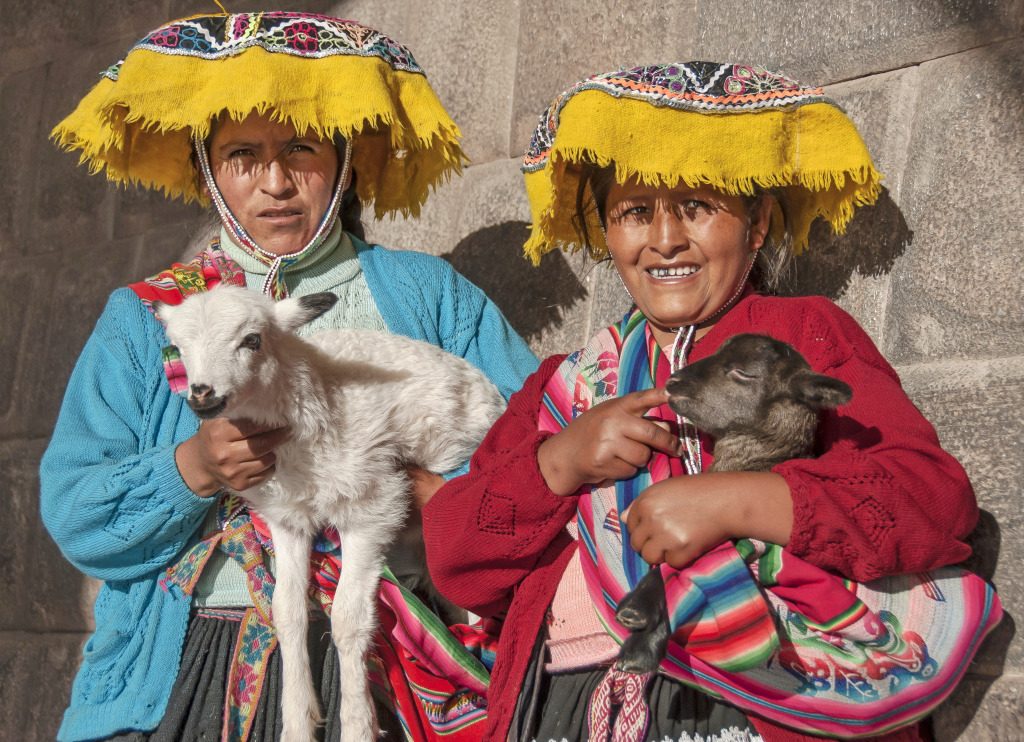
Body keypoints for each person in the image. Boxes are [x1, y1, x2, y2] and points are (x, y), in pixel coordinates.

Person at [420, 63, 999, 742]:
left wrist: (738, 501)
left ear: (756, 224)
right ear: (607, 232)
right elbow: (456, 561)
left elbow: (932, 500)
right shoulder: (562, 389)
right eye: (635, 212)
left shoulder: (804, 335)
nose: (665, 239)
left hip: (759, 705)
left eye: (695, 206)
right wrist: (558, 464)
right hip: (566, 709)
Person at [39, 12, 537, 742]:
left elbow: (537, 447)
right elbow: (77, 513)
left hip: (397, 653)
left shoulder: (429, 297)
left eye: (301, 149)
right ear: (208, 169)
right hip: (194, 667)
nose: (275, 183)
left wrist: (429, 497)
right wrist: (193, 469)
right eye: (243, 154)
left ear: (341, 159)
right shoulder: (147, 319)